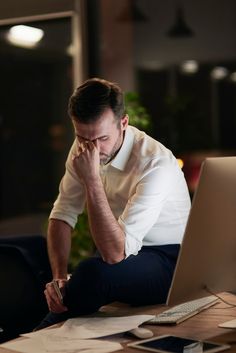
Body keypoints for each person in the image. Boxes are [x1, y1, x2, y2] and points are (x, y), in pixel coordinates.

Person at [35, 77, 191, 330]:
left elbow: (115, 254)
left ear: (124, 123)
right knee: (70, 281)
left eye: (101, 139)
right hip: (124, 253)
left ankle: (37, 334)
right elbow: (62, 214)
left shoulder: (155, 163)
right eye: (82, 137)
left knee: (91, 274)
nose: (92, 148)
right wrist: (58, 278)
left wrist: (92, 179)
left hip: (170, 259)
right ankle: (42, 335)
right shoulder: (85, 143)